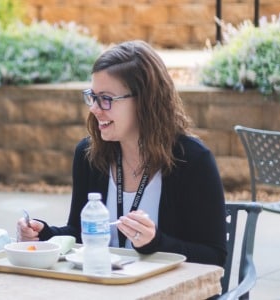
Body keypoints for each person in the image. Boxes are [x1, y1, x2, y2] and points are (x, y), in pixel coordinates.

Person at [17, 40, 227, 266]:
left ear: (145, 100)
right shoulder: (89, 155)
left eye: (106, 99)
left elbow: (214, 257)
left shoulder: (192, 160)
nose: (94, 109)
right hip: (104, 285)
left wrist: (156, 243)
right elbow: (81, 233)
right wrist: (44, 235)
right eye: (92, 96)